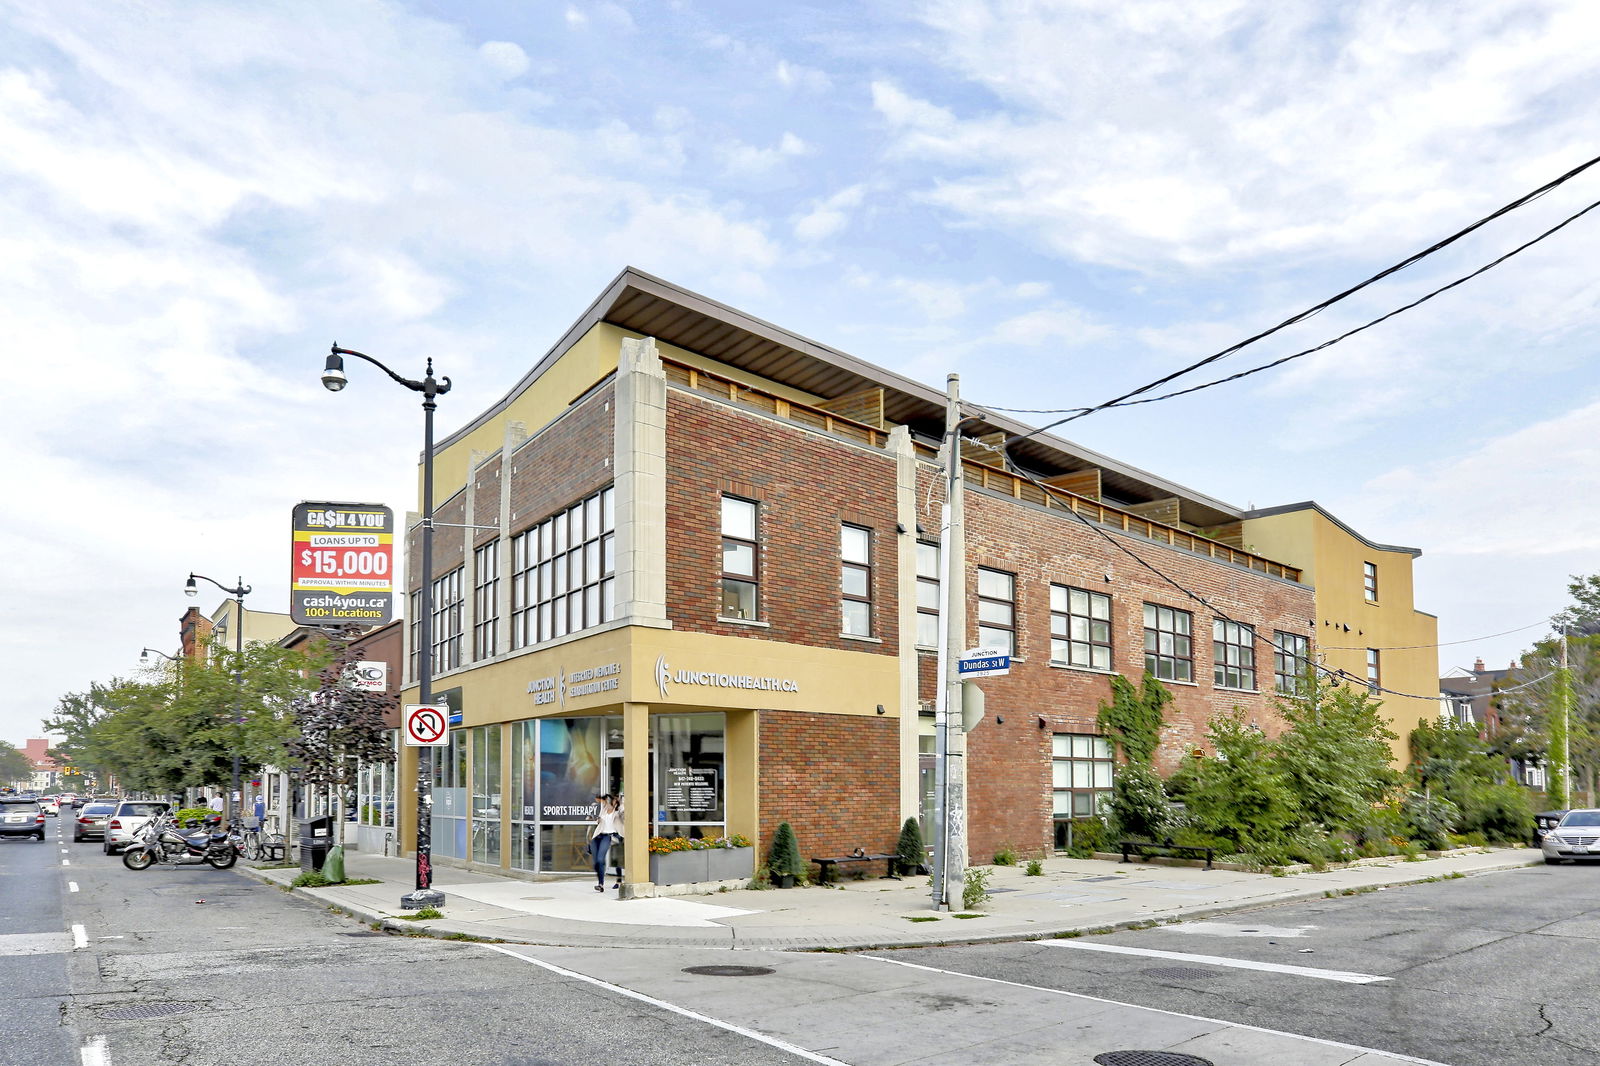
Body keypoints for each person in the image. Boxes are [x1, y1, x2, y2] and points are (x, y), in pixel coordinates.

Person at [589, 793, 624, 892]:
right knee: (596, 862)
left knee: (608, 860)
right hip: (599, 836)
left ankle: (616, 881)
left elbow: (625, 813)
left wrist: (620, 803)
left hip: (610, 836)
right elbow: (599, 822)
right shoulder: (603, 811)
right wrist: (597, 820)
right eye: (605, 801)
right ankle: (600, 883)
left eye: (607, 801)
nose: (605, 803)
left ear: (613, 802)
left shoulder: (618, 813)